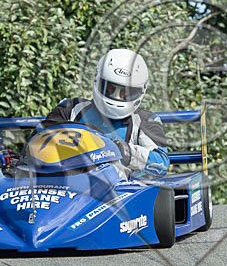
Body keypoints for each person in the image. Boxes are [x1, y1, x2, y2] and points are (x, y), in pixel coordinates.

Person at [42, 48, 169, 179]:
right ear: (98, 81)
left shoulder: (145, 121)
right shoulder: (70, 108)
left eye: (125, 92)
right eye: (110, 88)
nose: (117, 97)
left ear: (139, 91)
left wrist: (126, 152)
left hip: (115, 193)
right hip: (65, 185)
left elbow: (162, 164)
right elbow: (38, 141)